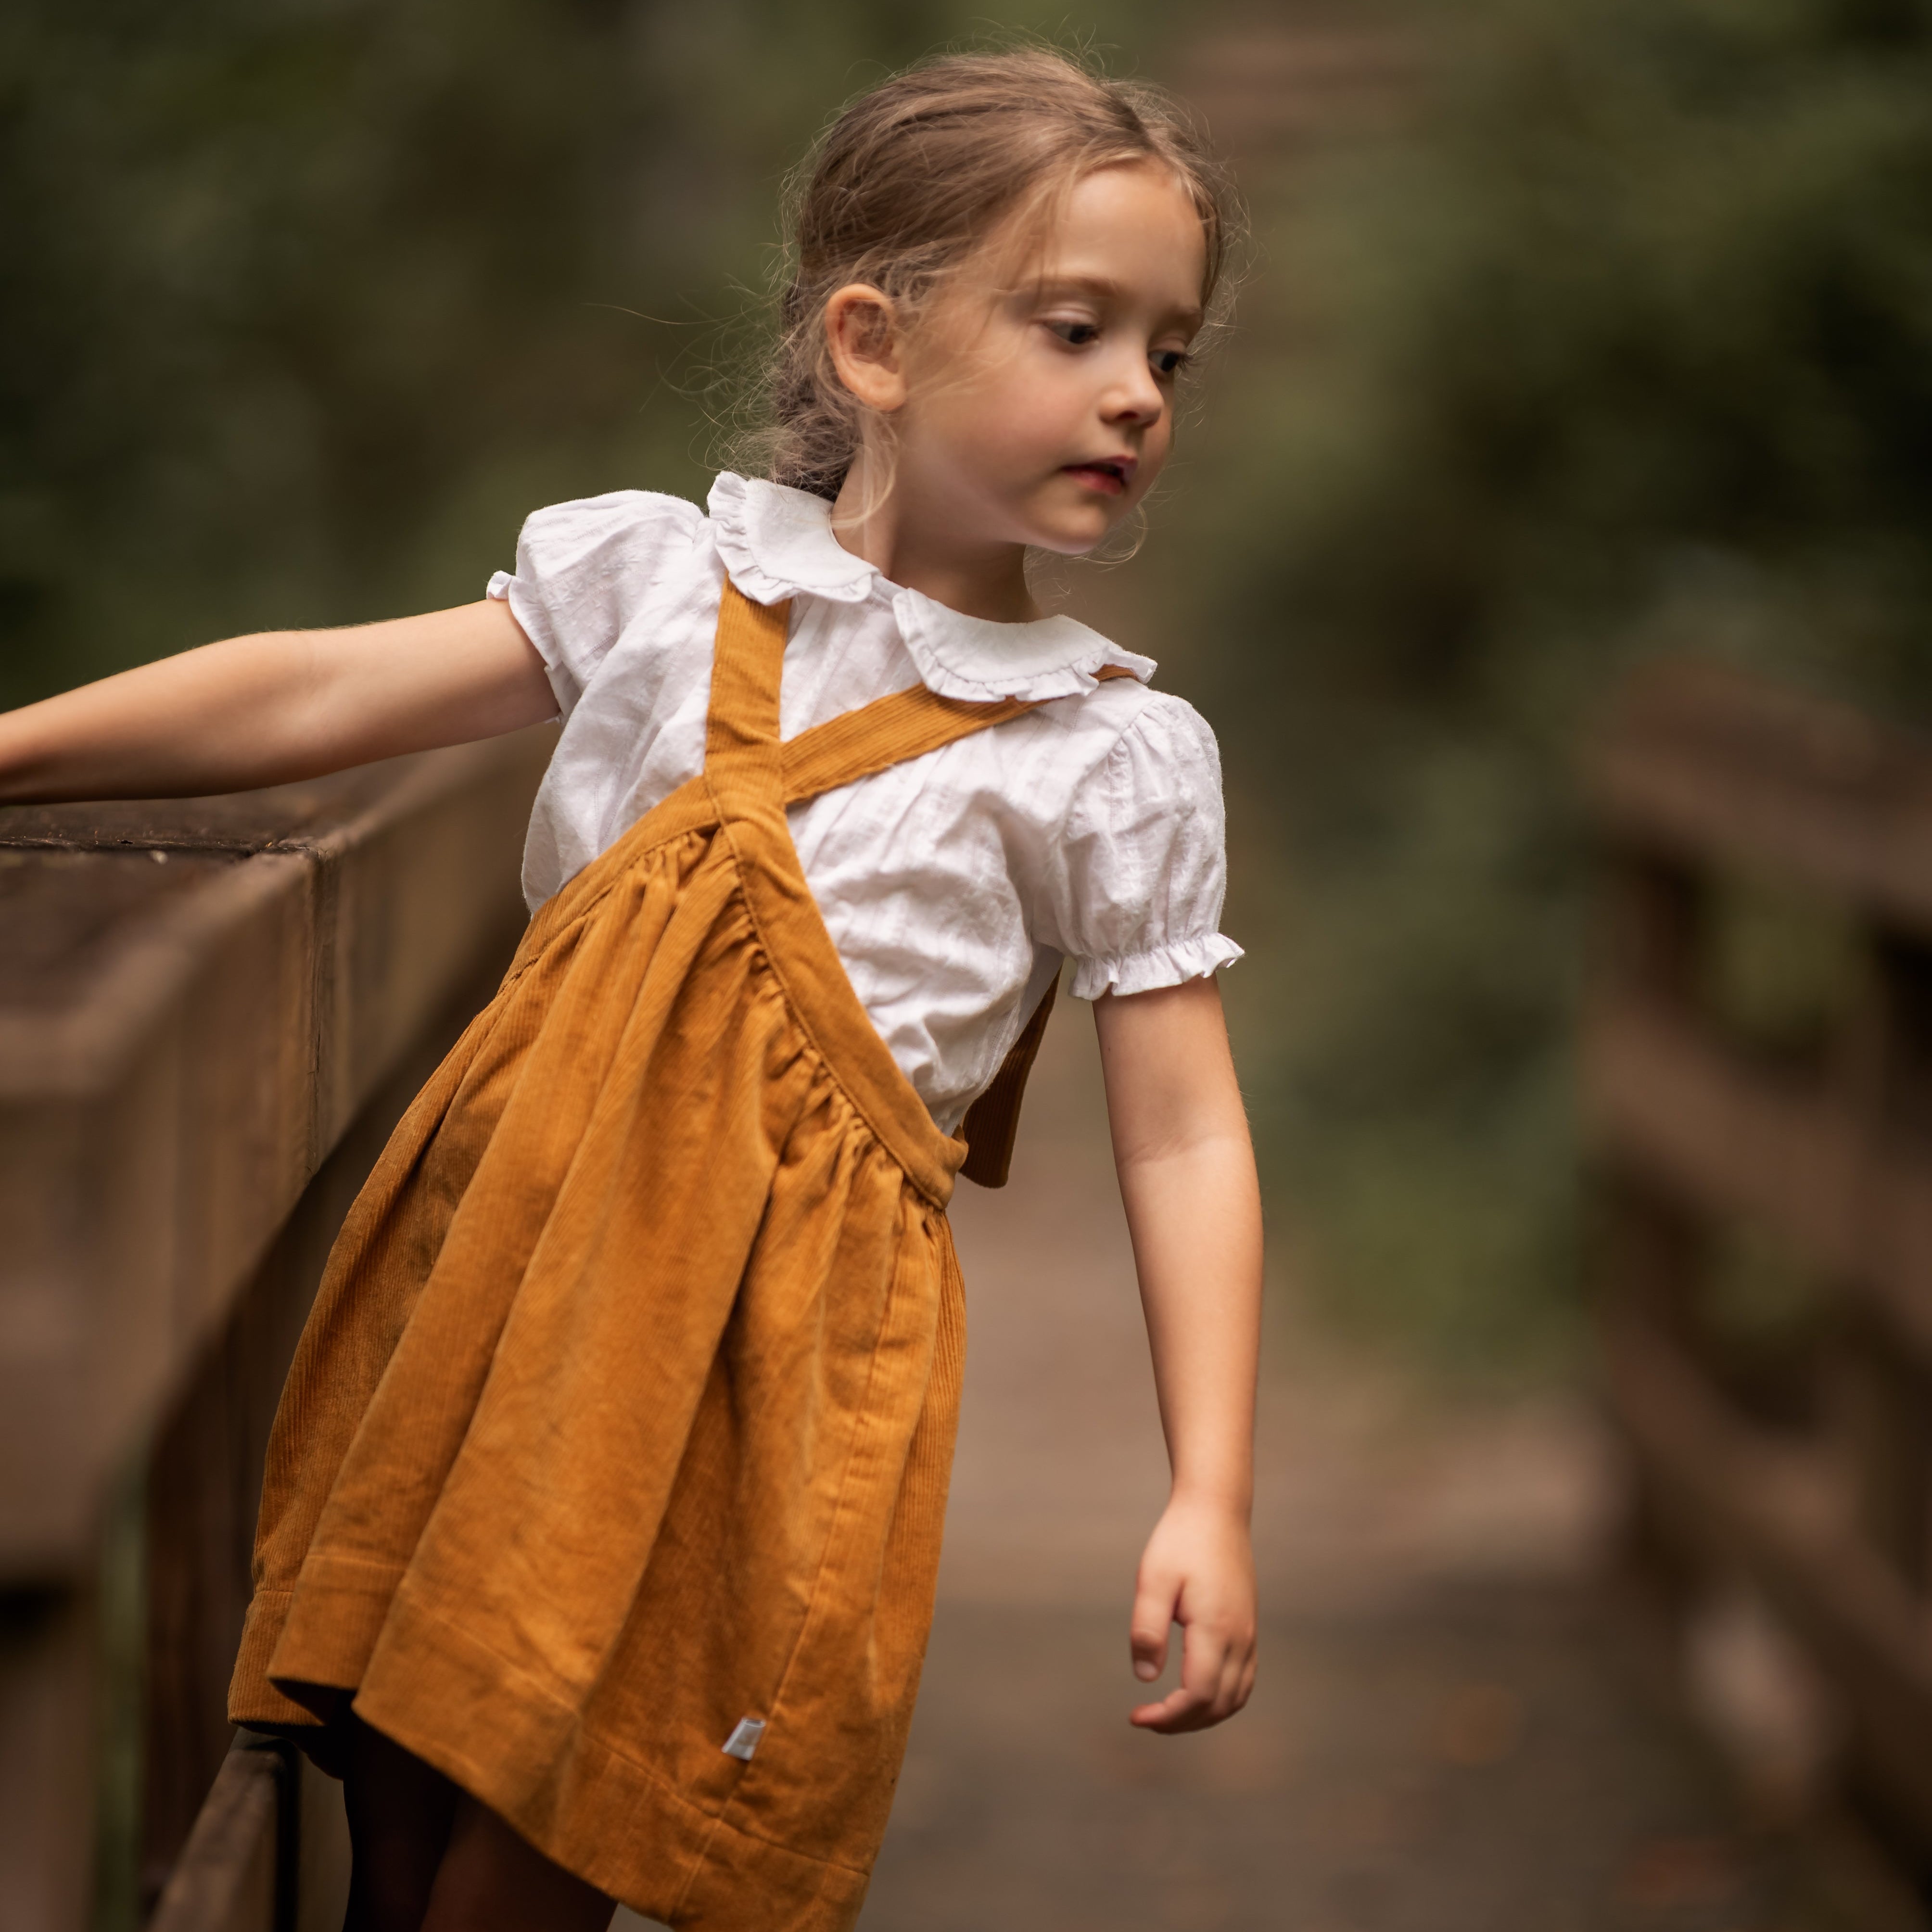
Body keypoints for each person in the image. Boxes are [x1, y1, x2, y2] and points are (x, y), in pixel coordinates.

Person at [0, 47, 1262, 1932]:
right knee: (403, 1817)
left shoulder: (1108, 751)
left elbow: (1179, 1135)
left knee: (557, 1837)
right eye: (1077, 327)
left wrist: (1209, 1489)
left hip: (773, 1361)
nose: (1133, 394)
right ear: (869, 343)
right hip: (507, 1275)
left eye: (1168, 352)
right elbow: (319, 692)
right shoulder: (662, 581)